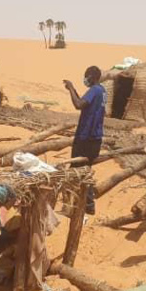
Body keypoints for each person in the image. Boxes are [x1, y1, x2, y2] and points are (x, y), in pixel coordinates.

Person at [63, 66, 106, 214]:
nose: (85, 79)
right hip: (95, 139)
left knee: (75, 171)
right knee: (84, 171)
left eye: (86, 76)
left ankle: (70, 207)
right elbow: (84, 102)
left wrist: (70, 88)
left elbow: (79, 104)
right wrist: (73, 90)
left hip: (86, 138)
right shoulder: (102, 91)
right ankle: (88, 205)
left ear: (92, 76)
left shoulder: (94, 90)